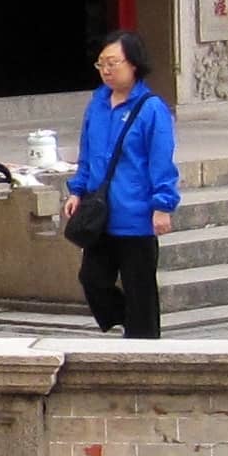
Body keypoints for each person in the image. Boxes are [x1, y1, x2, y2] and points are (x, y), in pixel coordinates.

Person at [63, 29, 178, 339]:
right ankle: (127, 321)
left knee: (140, 289)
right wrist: (77, 190)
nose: (107, 70)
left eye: (114, 63)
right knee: (92, 279)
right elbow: (87, 154)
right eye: (101, 64)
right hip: (101, 214)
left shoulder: (152, 109)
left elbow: (161, 162)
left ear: (134, 64)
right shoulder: (97, 104)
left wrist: (162, 205)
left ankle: (144, 344)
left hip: (137, 215)